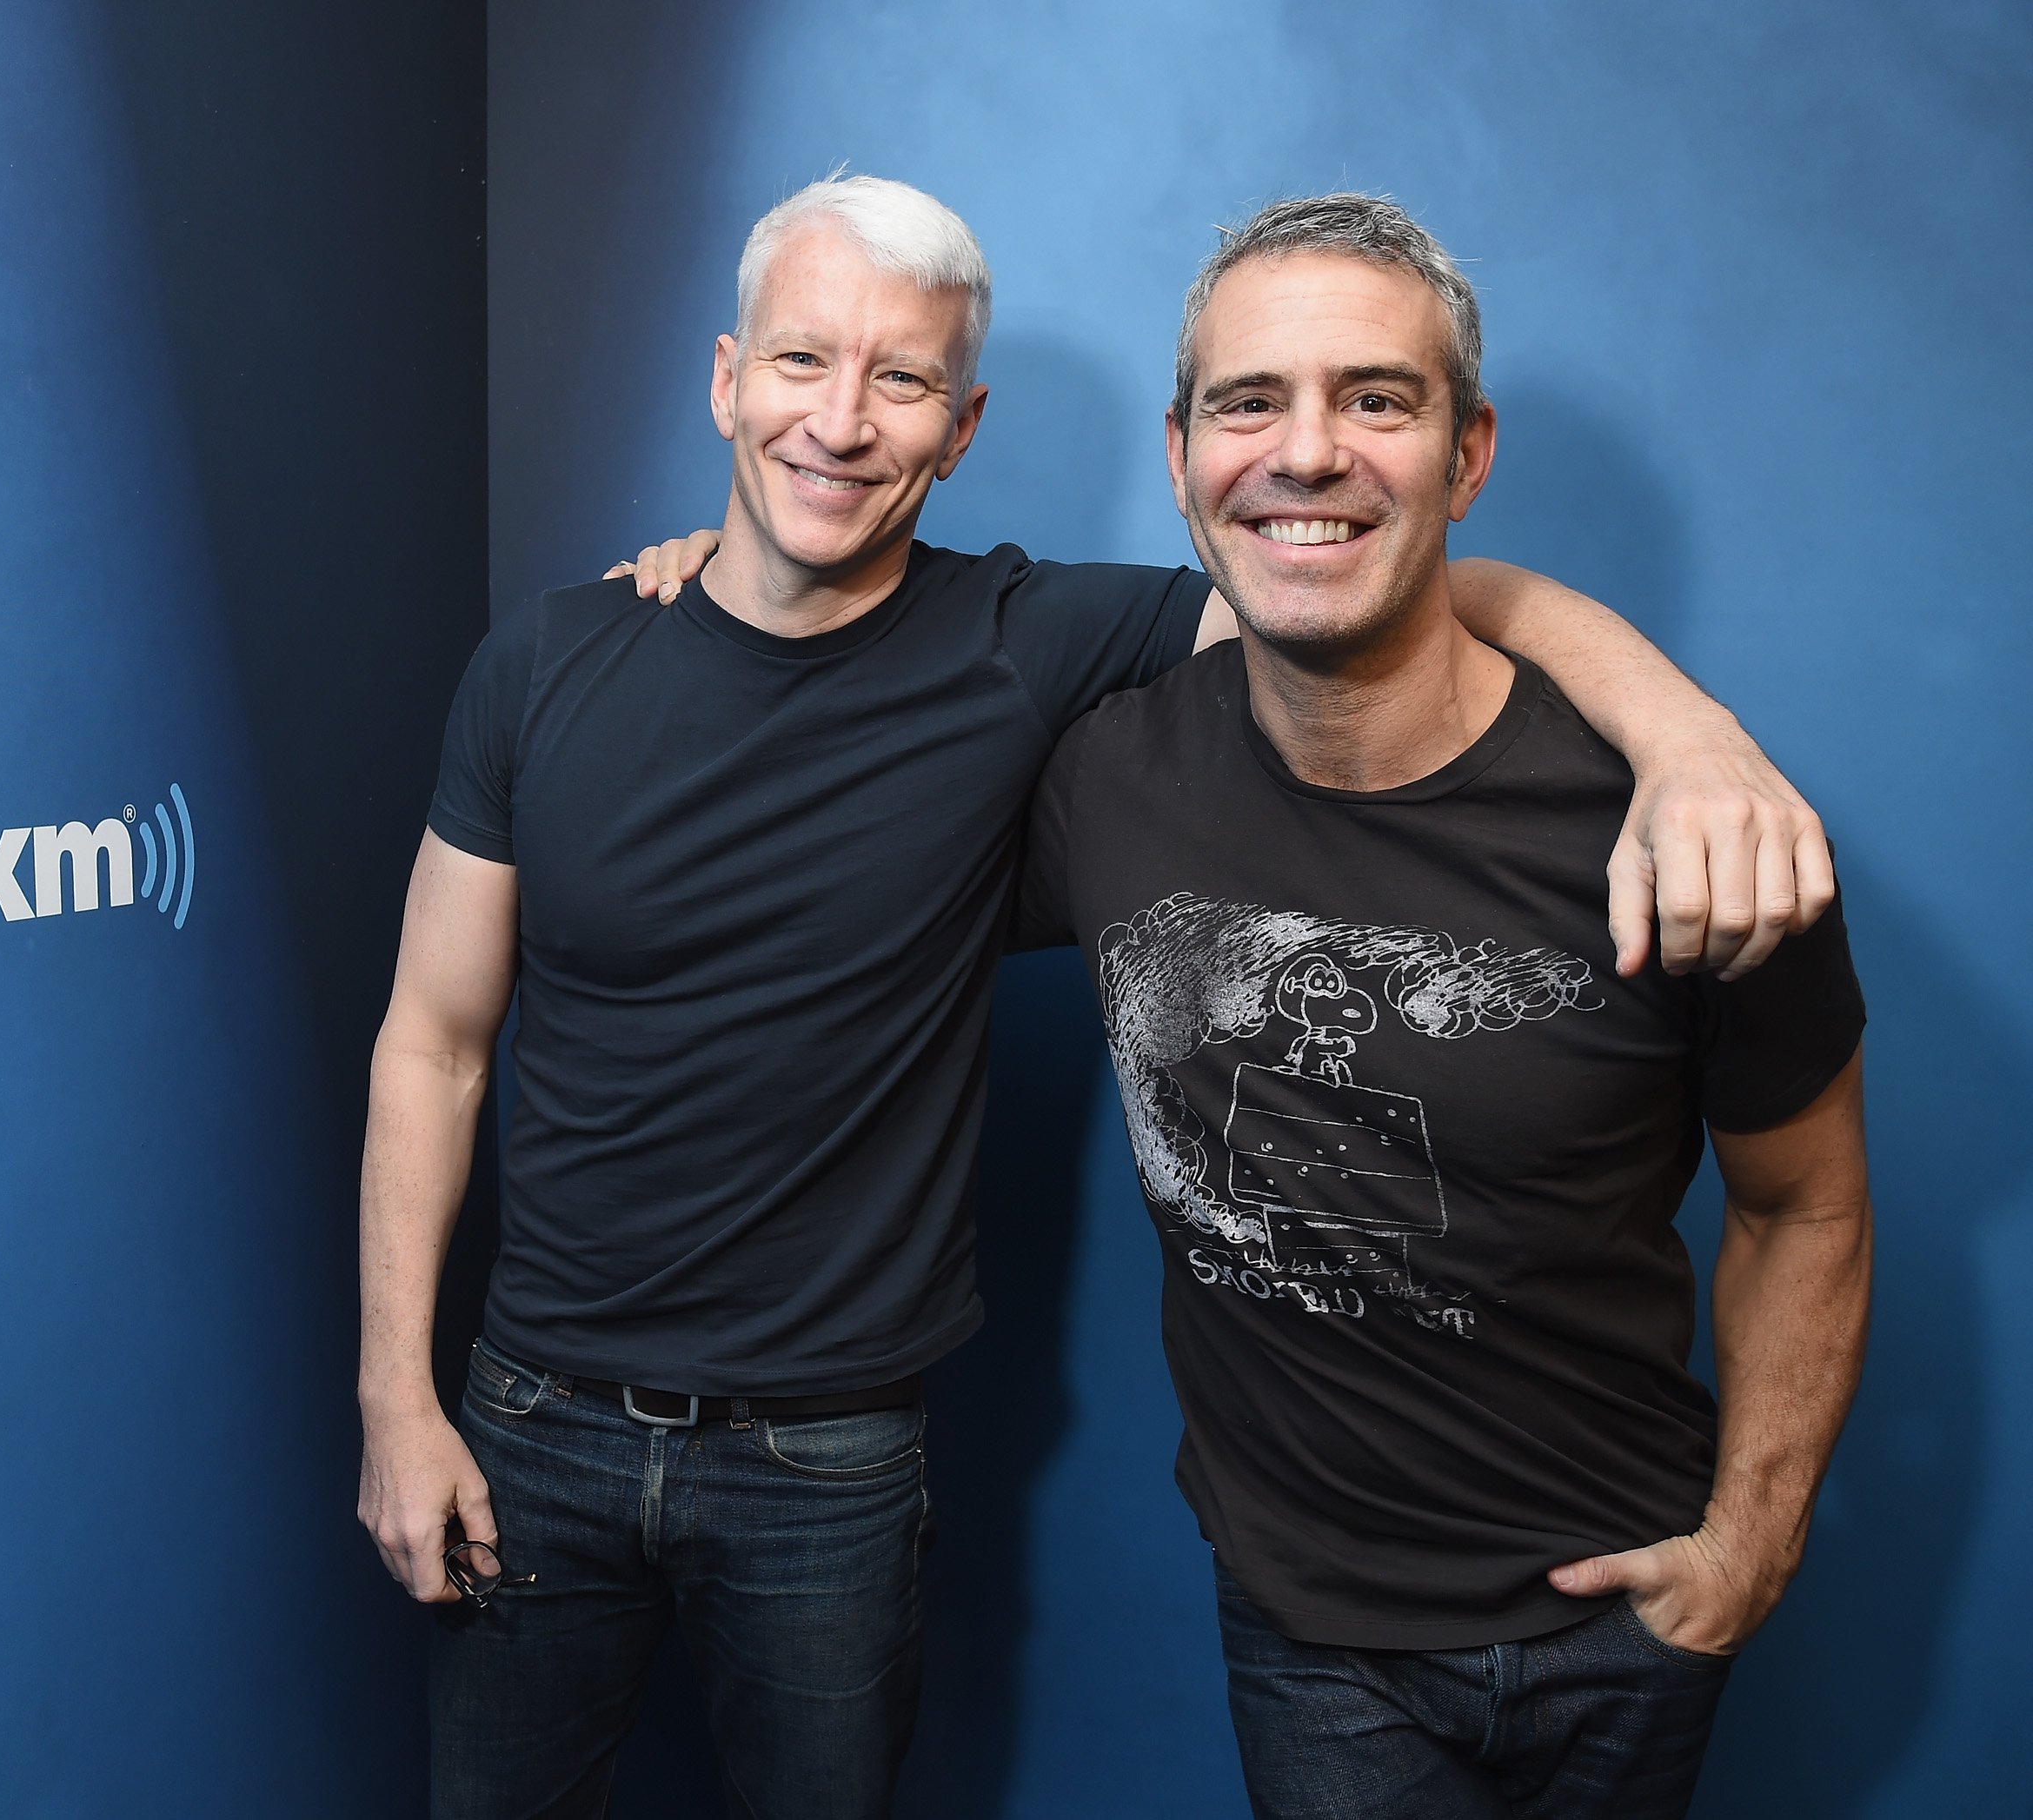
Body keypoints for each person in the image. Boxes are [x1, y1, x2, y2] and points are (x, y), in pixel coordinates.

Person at [357, 176, 1834, 1819]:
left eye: (900, 381)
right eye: (798, 365)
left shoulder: (1029, 643)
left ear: (963, 425)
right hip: (533, 1417)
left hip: (829, 1460)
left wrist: (1685, 730)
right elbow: (433, 1039)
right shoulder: (553, 662)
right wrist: (391, 1393)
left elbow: (1360, 569)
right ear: (725, 380)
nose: (840, 422)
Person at [1015, 194, 1871, 1818]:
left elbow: (1805, 1204)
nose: (1309, 451)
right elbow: (825, 771)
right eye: (1250, 401)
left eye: (1377, 399)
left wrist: (1751, 1544)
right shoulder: (1104, 780)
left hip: (1625, 1619)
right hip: (1310, 1635)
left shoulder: (1689, 828)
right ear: (1184, 450)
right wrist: (736, 559)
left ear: (1467, 455)